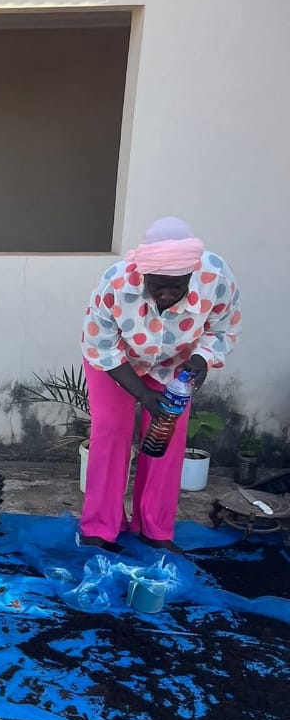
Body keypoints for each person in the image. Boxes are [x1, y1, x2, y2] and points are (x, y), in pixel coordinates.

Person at [79, 216, 241, 553]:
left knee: (167, 435)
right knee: (110, 431)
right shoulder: (117, 283)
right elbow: (102, 346)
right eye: (158, 287)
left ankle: (155, 528)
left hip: (175, 363)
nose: (167, 295)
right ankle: (99, 527)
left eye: (177, 287)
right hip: (118, 360)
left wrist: (201, 360)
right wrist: (142, 394)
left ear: (192, 275)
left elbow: (222, 329)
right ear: (143, 275)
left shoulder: (216, 278)